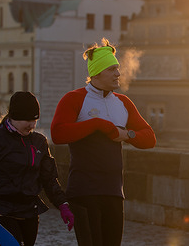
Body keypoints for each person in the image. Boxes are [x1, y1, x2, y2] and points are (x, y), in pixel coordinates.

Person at [51, 38, 156, 246]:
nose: (118, 73)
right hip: (83, 190)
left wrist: (128, 135)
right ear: (97, 73)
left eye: (118, 68)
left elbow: (150, 138)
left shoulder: (123, 103)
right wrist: (97, 124)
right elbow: (58, 134)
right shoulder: (74, 99)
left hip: (114, 191)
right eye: (112, 69)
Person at [0, 91, 74, 246]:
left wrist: (63, 205)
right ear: (14, 117)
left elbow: (49, 179)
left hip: (29, 214)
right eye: (27, 120)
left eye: (35, 120)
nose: (32, 125)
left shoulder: (39, 142)